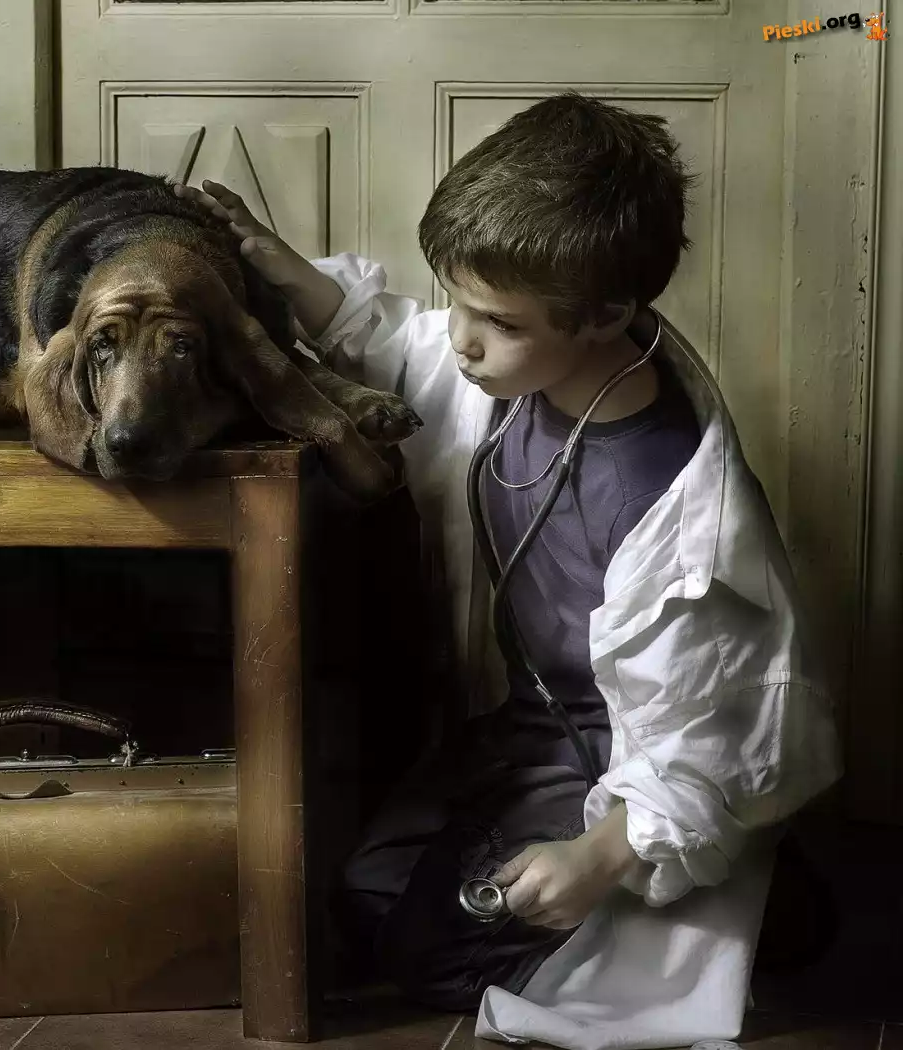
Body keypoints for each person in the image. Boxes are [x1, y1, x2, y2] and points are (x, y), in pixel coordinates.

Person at [179, 91, 842, 1049]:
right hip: (524, 731)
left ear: (608, 313)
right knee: (361, 901)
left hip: (622, 759)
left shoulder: (667, 502)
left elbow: (714, 717)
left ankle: (749, 890)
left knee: (430, 958)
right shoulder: (522, 369)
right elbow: (406, 348)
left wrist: (601, 854)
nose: (462, 337)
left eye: (494, 319)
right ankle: (701, 874)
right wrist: (278, 265)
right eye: (457, 300)